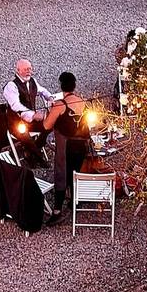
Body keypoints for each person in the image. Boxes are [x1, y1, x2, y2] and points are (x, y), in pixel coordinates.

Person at [42, 71, 91, 225]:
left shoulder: (60, 104)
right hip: (81, 145)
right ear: (74, 85)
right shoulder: (82, 101)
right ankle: (75, 200)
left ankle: (57, 210)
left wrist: (49, 112)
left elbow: (46, 125)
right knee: (76, 170)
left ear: (62, 86)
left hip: (66, 146)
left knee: (61, 174)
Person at [2, 59, 53, 167]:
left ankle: (31, 152)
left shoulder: (33, 81)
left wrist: (50, 97)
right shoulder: (11, 86)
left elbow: (43, 91)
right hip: (16, 122)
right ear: (18, 70)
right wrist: (33, 115)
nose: (28, 71)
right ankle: (39, 158)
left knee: (50, 124)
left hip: (31, 121)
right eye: (25, 69)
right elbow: (15, 105)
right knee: (24, 135)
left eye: (30, 69)